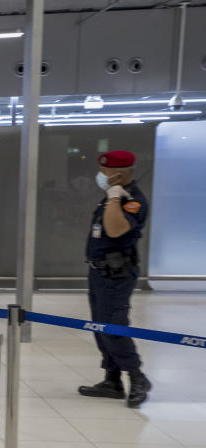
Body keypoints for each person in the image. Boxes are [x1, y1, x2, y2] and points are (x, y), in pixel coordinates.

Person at [77, 150, 151, 408]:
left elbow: (115, 229)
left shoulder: (132, 201)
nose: (101, 176)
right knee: (100, 327)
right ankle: (112, 380)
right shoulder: (113, 197)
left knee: (114, 327)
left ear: (119, 173)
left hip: (116, 275)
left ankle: (138, 378)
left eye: (105, 172)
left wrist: (113, 196)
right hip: (99, 272)